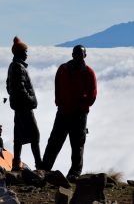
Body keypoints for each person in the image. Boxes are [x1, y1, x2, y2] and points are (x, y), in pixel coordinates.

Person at [42, 45, 97, 182]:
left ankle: (74, 173)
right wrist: (60, 103)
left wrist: (82, 106)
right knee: (54, 142)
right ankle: (44, 169)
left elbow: (92, 95)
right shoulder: (63, 69)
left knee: (77, 144)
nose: (78, 56)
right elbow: (57, 87)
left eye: (81, 54)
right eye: (76, 53)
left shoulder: (88, 73)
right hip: (63, 112)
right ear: (72, 55)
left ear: (85, 56)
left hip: (79, 115)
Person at [6, 37, 42, 170]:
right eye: (25, 51)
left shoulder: (12, 66)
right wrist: (31, 100)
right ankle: (39, 164)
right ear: (19, 52)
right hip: (24, 107)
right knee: (34, 135)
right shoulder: (18, 67)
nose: (27, 54)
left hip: (18, 107)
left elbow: (8, 86)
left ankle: (16, 163)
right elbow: (20, 88)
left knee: (19, 136)